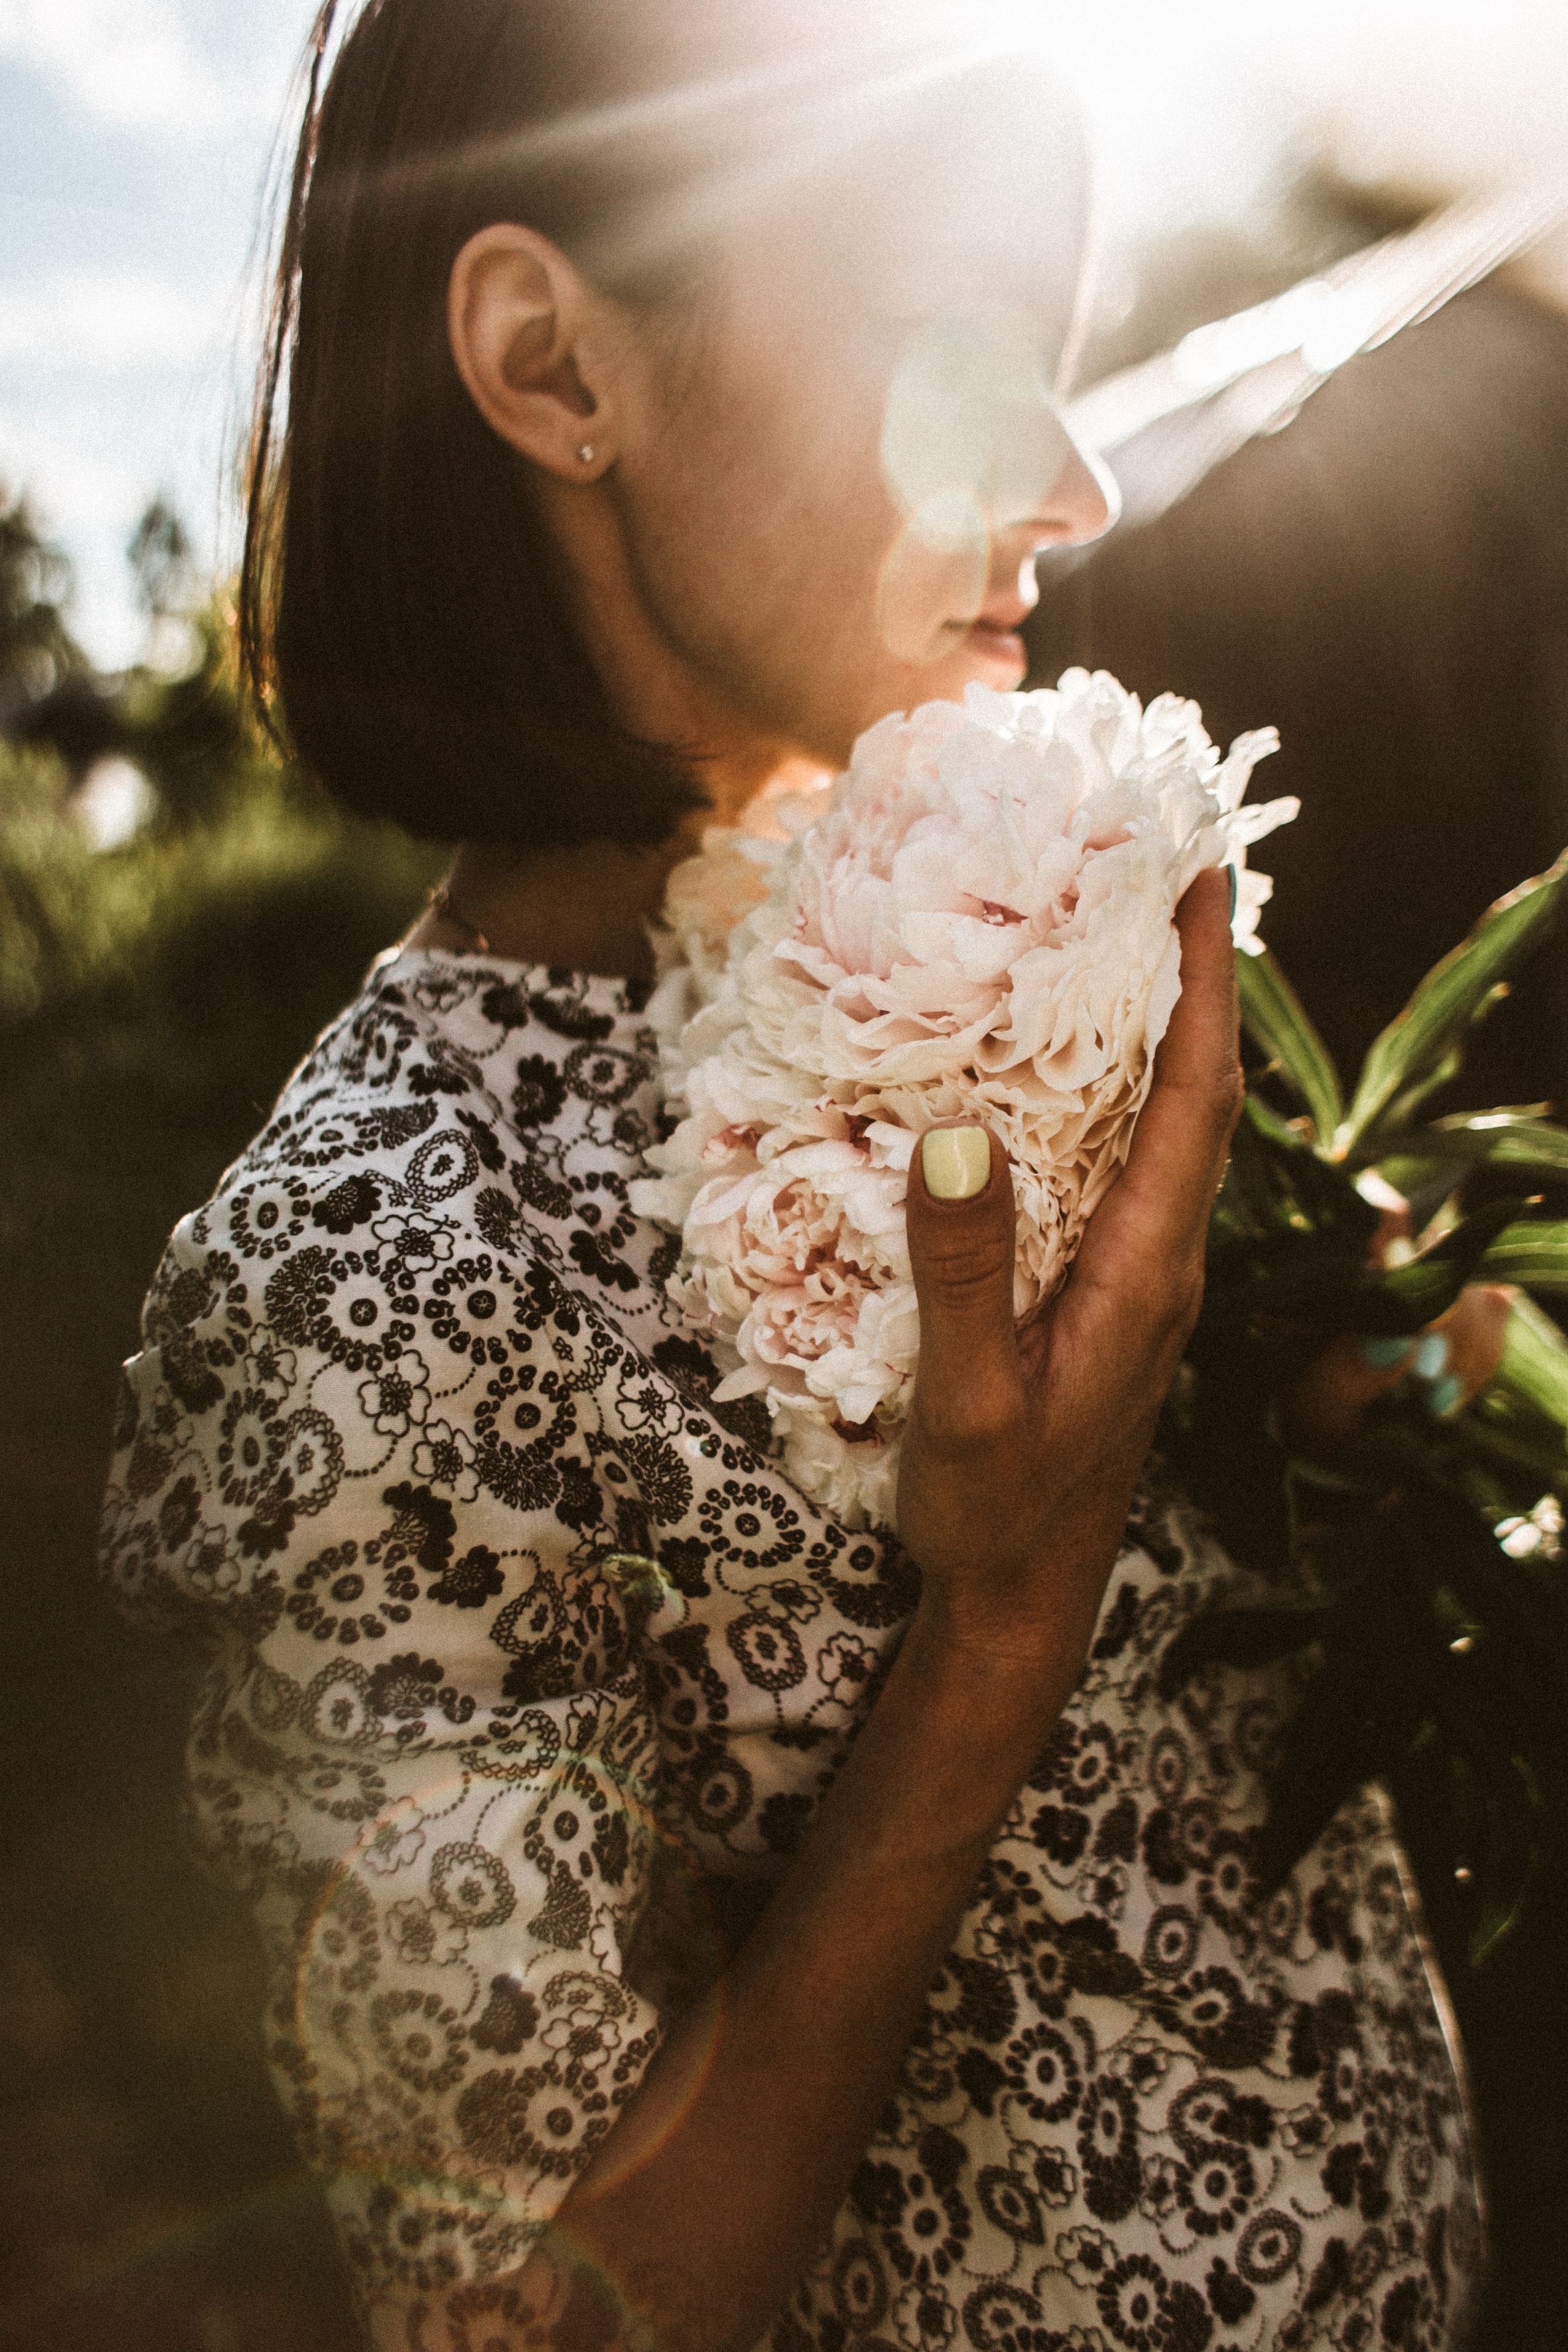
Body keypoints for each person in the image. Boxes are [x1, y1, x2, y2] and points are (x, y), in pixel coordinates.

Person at [99, 4, 1493, 2346]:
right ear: (554, 367)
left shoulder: (991, 916)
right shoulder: (360, 1291)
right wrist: (1003, 1621)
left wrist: (1365, 1395)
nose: (1075, 485)